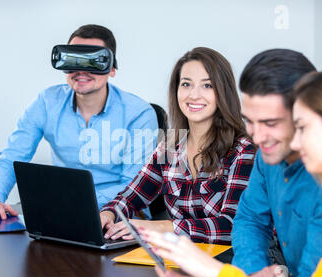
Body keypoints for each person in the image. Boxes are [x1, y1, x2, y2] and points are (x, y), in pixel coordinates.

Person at [141, 49, 322, 277]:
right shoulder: (267, 155)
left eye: (271, 123)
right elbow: (250, 219)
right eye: (250, 121)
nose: (257, 138)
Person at [0, 24, 158, 220]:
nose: (81, 70)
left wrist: (71, 201)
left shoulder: (139, 113)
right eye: (73, 59)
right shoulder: (47, 102)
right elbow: (12, 156)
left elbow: (135, 184)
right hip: (63, 213)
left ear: (111, 68)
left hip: (122, 215)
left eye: (93, 61)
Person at [99, 47, 256, 244]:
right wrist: (109, 213)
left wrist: (161, 227)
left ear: (223, 92)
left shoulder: (243, 150)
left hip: (237, 262)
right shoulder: (169, 148)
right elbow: (132, 196)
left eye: (207, 86)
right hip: (184, 260)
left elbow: (234, 226)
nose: (194, 95)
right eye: (186, 84)